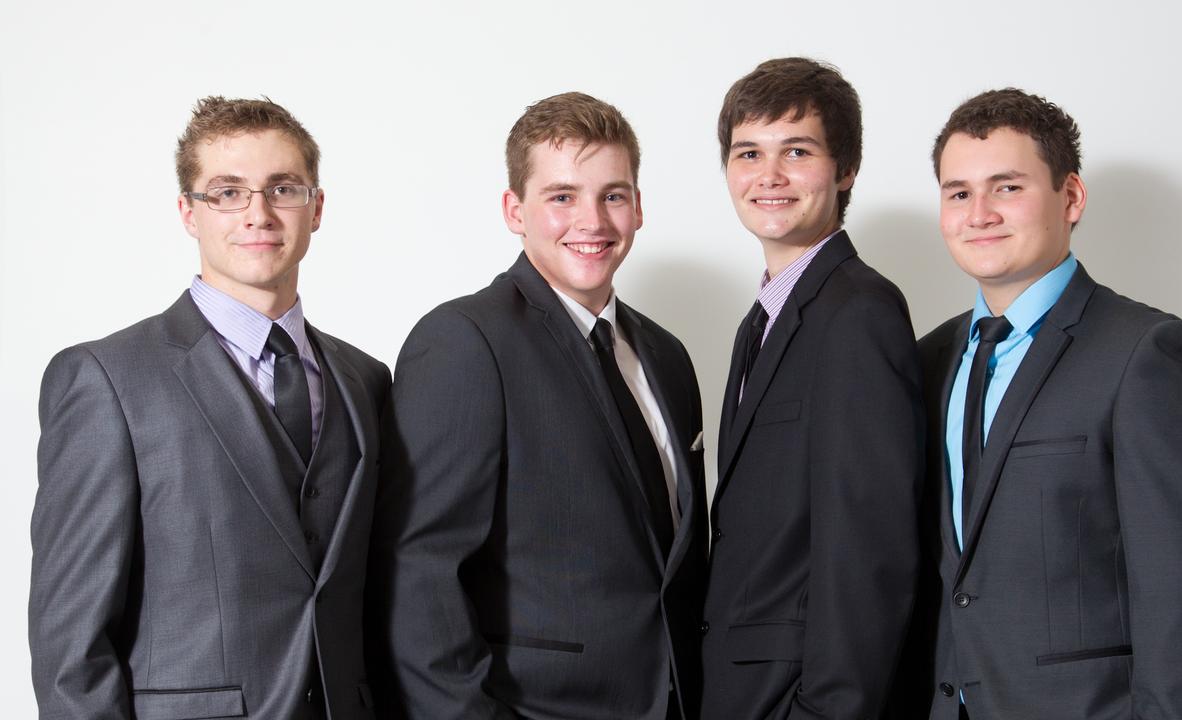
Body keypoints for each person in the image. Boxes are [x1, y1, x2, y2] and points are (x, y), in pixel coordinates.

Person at [29, 96, 391, 719]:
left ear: (317, 207)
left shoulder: (366, 379)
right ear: (188, 214)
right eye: (227, 192)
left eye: (283, 188)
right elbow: (71, 647)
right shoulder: (106, 378)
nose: (258, 213)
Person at [369, 91, 706, 719]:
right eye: (562, 197)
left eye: (613, 194)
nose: (593, 220)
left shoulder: (667, 356)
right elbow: (418, 575)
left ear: (638, 206)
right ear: (514, 211)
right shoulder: (465, 341)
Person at [914, 87, 1182, 719]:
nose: (979, 212)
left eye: (1007, 187)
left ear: (1071, 197)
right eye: (958, 193)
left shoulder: (1145, 354)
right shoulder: (926, 361)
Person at [700, 57, 924, 719]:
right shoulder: (762, 320)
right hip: (741, 691)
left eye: (796, 151)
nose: (768, 177)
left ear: (845, 167)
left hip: (799, 700)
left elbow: (872, 549)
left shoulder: (859, 314)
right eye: (748, 153)